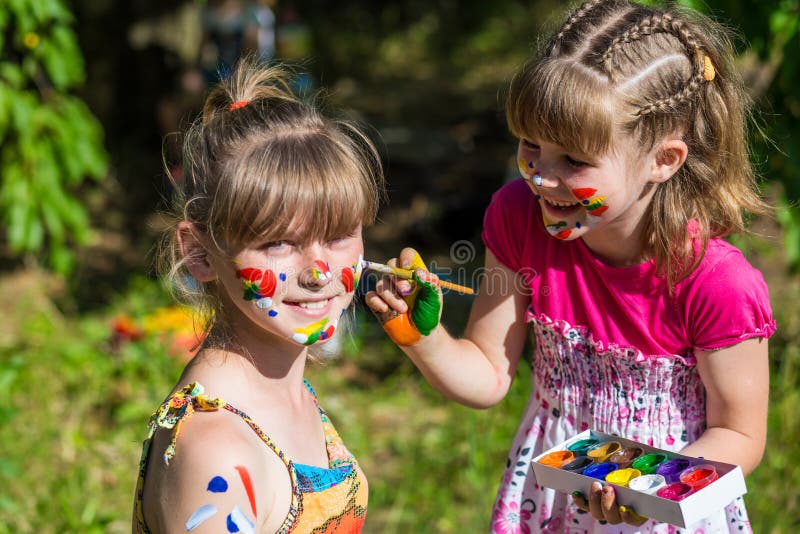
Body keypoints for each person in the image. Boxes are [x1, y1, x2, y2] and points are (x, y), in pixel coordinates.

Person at [366, 0, 773, 532]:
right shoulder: (518, 218)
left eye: (574, 161)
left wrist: (644, 489)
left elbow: (741, 437)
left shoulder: (716, 283)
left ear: (663, 160)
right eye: (530, 145)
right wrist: (421, 337)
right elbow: (488, 375)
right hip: (553, 501)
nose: (541, 176)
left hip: (665, 509)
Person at [133, 58, 384, 533]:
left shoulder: (284, 387)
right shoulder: (218, 455)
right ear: (201, 254)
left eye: (338, 236)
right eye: (279, 243)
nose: (319, 271)